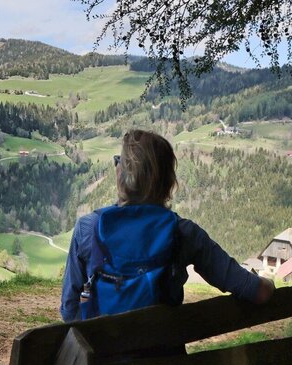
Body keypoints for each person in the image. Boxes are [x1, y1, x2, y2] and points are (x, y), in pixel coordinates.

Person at [60, 129, 274, 322]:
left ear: (121, 175)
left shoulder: (88, 229)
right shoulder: (185, 233)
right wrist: (270, 283)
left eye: (119, 162)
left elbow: (69, 310)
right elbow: (256, 291)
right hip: (165, 362)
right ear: (169, 182)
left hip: (102, 363)